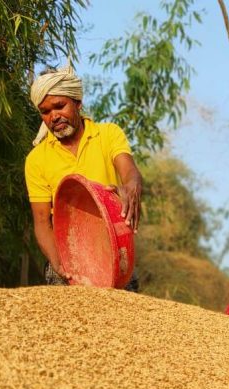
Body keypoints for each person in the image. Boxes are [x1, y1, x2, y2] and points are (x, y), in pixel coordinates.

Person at [24, 65, 143, 289]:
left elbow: (130, 172)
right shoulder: (36, 159)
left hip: (116, 256)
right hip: (67, 263)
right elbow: (41, 222)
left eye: (60, 106)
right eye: (46, 111)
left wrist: (131, 185)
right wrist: (61, 265)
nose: (54, 116)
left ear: (78, 103)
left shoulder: (108, 135)